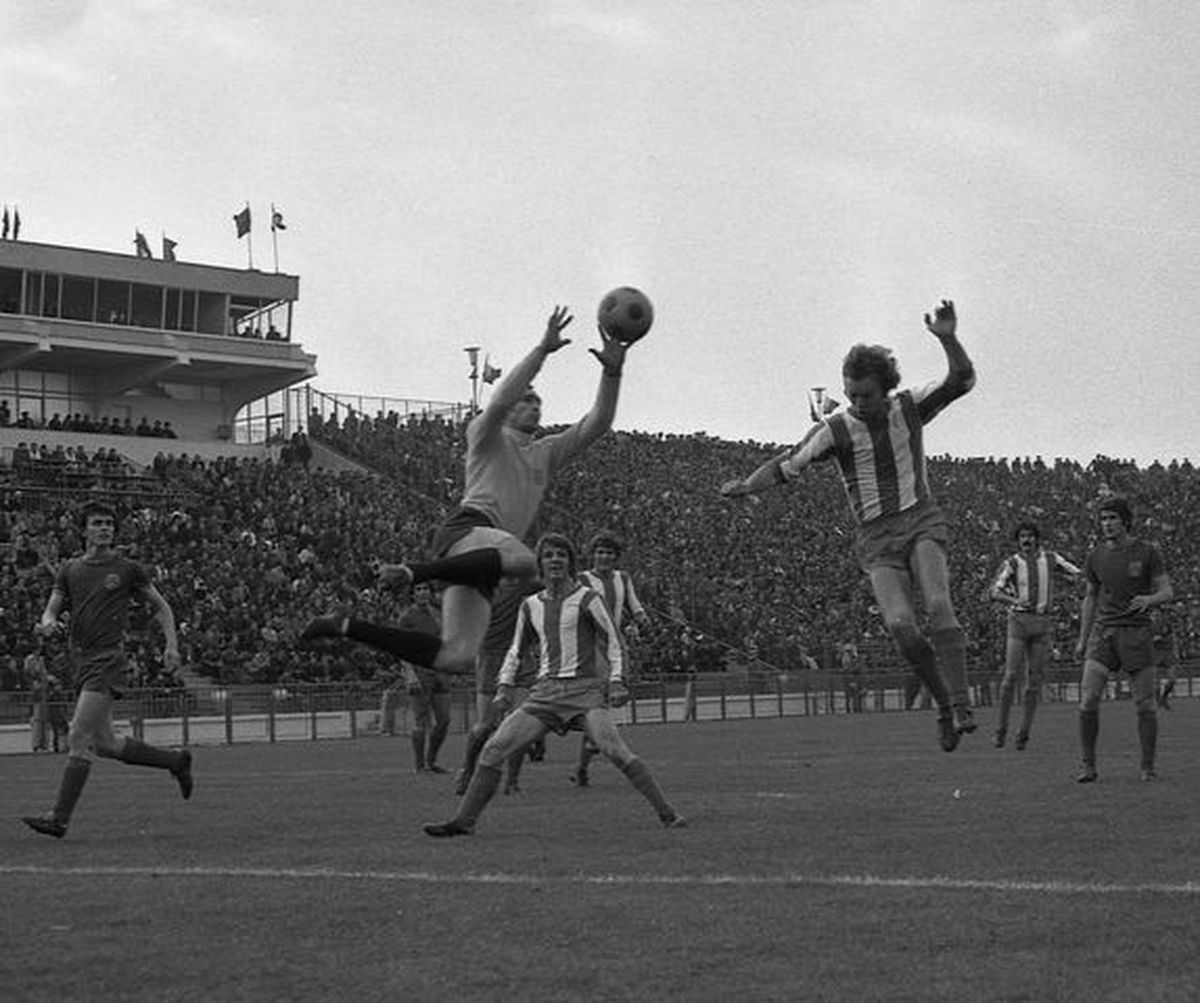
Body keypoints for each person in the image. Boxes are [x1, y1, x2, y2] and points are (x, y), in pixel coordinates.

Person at [300, 305, 630, 680]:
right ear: (507, 410)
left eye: (537, 402)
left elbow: (598, 423)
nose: (533, 405)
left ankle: (345, 626)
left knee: (456, 657)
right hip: (468, 530)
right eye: (526, 400)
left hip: (486, 560)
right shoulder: (487, 435)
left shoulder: (546, 451)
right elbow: (502, 398)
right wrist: (541, 351)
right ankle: (414, 572)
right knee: (528, 563)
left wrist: (612, 370)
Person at [719, 299, 977, 751]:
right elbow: (788, 464)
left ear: (886, 388)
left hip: (919, 519)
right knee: (900, 626)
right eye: (851, 394)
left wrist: (947, 337)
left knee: (938, 604)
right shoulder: (836, 431)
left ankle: (961, 704)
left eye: (867, 395)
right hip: (876, 538)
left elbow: (961, 381)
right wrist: (747, 485)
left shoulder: (910, 406)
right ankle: (941, 704)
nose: (858, 403)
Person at [424, 533, 685, 837]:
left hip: (585, 691)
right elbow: (517, 650)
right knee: (494, 749)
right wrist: (505, 685)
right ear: (541, 564)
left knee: (614, 750)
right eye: (549, 555)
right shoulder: (530, 605)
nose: (555, 560)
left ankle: (667, 814)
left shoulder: (588, 598)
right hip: (545, 693)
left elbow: (615, 642)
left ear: (571, 562)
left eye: (561, 554)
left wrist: (616, 681)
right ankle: (463, 822)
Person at [21, 501, 193, 839]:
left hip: (108, 659)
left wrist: (171, 645)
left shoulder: (127, 568)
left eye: (109, 524)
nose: (104, 529)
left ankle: (59, 818)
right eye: (97, 523)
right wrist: (48, 624)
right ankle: (176, 762)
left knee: (77, 736)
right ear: (83, 529)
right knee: (106, 744)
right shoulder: (70, 569)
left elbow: (161, 606)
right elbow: (50, 610)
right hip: (80, 661)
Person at [1073, 496, 1173, 783]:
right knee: (1089, 698)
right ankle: (1088, 766)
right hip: (1103, 634)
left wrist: (1149, 599)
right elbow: (1090, 597)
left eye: (1112, 518)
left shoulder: (1147, 552)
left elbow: (1167, 591)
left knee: (1144, 704)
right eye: (1103, 519)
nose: (1107, 524)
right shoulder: (1095, 556)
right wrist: (1082, 639)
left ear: (1125, 521)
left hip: (1137, 634)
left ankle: (1147, 767)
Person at [988, 521, 1081, 749]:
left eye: (1029, 536)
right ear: (1018, 540)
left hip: (1042, 623)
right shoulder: (1012, 563)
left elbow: (1077, 573)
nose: (1026, 540)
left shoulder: (1051, 559)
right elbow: (994, 591)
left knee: (1034, 680)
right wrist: (1014, 600)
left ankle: (1024, 732)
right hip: (1019, 622)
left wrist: (1068, 580)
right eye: (1022, 537)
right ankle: (1001, 729)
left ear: (1036, 539)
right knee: (1010, 677)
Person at [570, 530, 651, 787]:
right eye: (599, 552)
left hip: (615, 644)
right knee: (597, 701)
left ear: (616, 557)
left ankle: (582, 767)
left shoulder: (622, 578)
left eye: (609, 553)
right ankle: (590, 742)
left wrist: (641, 616)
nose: (604, 557)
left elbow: (634, 603)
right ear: (592, 555)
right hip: (589, 645)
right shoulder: (582, 579)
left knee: (603, 702)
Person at [453, 578, 542, 797]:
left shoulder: (530, 585)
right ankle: (467, 768)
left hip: (523, 658)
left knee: (521, 724)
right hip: (492, 659)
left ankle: (512, 780)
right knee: (484, 725)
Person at [396, 582, 451, 773]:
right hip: (419, 671)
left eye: (425, 588)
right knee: (420, 720)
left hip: (440, 671)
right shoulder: (407, 617)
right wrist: (409, 673)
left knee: (444, 721)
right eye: (418, 589)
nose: (422, 592)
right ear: (412, 594)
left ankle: (431, 761)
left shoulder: (438, 613)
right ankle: (420, 766)